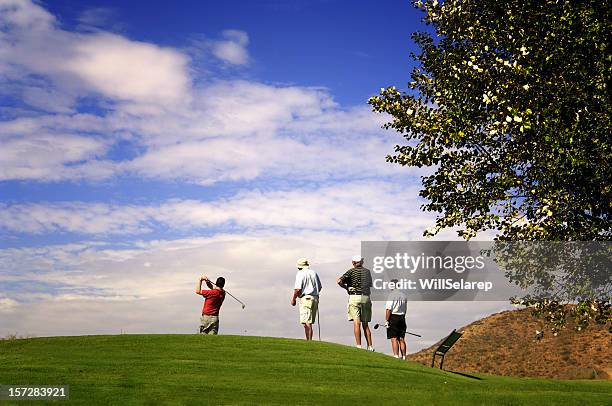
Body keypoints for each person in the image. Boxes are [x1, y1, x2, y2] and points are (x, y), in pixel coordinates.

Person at [337, 255, 374, 351]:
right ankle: (370, 346)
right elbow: (370, 285)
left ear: (353, 262)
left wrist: (346, 288)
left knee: (356, 322)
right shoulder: (367, 271)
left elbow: (339, 281)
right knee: (365, 324)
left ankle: (359, 346)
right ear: (362, 262)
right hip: (365, 297)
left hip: (354, 297)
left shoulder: (351, 271)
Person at [291, 258, 322, 340]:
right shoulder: (314, 272)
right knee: (309, 321)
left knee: (307, 322)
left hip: (306, 298)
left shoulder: (300, 273)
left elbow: (297, 289)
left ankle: (309, 341)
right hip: (315, 298)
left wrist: (293, 299)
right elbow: (320, 287)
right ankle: (309, 340)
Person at [385, 279, 408, 359]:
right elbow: (405, 310)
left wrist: (387, 321)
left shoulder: (391, 295)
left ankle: (396, 356)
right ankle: (404, 357)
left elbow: (388, 309)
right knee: (401, 338)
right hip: (402, 318)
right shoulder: (404, 295)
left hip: (393, 318)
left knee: (394, 338)